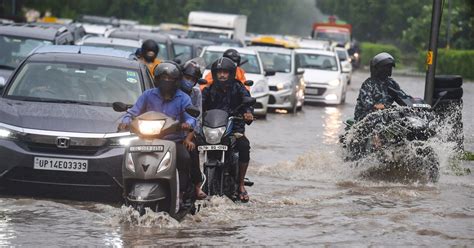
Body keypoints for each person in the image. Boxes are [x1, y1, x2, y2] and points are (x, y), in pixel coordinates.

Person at [118, 61, 201, 198]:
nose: (166, 81)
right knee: (126, 156)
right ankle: (124, 189)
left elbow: (191, 117)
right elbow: (133, 112)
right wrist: (125, 122)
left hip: (174, 141)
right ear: (157, 79)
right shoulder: (147, 95)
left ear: (176, 81)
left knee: (184, 158)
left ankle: (181, 192)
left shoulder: (183, 98)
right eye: (163, 77)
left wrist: (187, 123)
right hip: (146, 139)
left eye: (170, 78)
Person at [202, 57, 254, 202]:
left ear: (231, 73)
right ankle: (193, 185)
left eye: (225, 72)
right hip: (212, 130)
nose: (222, 75)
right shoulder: (208, 89)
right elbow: (199, 105)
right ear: (214, 74)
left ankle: (241, 185)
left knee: (244, 146)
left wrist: (248, 113)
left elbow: (247, 102)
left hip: (234, 130)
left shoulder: (238, 87)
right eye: (219, 73)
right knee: (191, 146)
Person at [180, 59, 207, 199]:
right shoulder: (172, 91)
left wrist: (189, 137)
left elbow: (197, 117)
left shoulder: (196, 94)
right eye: (187, 77)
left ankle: (197, 185)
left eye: (192, 79)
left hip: (189, 132)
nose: (189, 81)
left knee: (192, 153)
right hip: (168, 131)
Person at [354, 52, 401, 122]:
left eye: (389, 67)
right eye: (385, 67)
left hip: (385, 116)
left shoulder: (392, 84)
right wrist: (386, 107)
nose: (387, 69)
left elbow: (402, 97)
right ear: (377, 69)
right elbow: (369, 105)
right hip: (365, 117)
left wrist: (415, 104)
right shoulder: (368, 84)